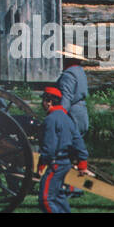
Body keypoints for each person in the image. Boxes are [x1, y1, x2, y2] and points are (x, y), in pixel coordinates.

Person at [36, 86, 90, 214]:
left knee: (46, 199)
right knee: (58, 196)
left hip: (56, 164)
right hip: (66, 163)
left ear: (49, 102)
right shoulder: (67, 118)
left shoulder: (50, 119)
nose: (42, 103)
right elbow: (78, 141)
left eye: (43, 100)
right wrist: (82, 162)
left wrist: (42, 163)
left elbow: (49, 147)